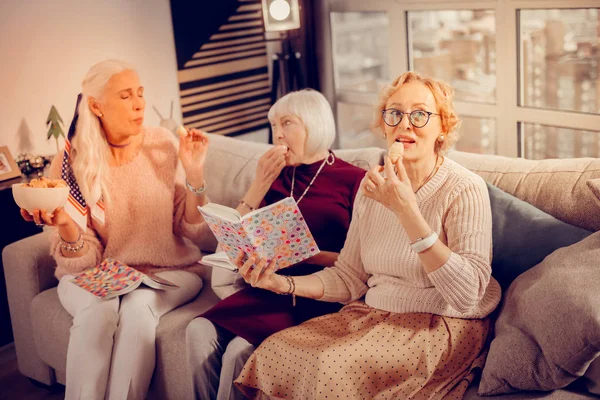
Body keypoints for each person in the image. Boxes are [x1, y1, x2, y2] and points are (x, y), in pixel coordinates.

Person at [232, 72, 502, 399]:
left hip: (441, 323)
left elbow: (468, 293)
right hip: (373, 315)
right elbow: (350, 277)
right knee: (276, 350)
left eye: (419, 114)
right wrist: (280, 283)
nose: (405, 124)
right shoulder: (370, 187)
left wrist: (406, 210)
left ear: (442, 127)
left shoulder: (464, 188)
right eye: (395, 114)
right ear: (385, 124)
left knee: (326, 365)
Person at [19, 59, 213, 400]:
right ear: (96, 105)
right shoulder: (72, 162)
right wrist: (65, 223)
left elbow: (197, 234)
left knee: (139, 310)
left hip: (169, 271)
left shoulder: (163, 144)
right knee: (98, 312)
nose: (139, 103)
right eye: (125, 96)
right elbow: (82, 262)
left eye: (140, 93)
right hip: (101, 272)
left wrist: (194, 175)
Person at [185, 89, 367, 400]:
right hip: (264, 290)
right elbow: (231, 237)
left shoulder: (355, 179)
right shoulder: (273, 175)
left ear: (315, 124)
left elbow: (362, 261)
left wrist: (309, 255)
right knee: (196, 331)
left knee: (238, 353)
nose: (278, 135)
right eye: (273, 125)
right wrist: (259, 184)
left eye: (287, 123)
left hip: (315, 293)